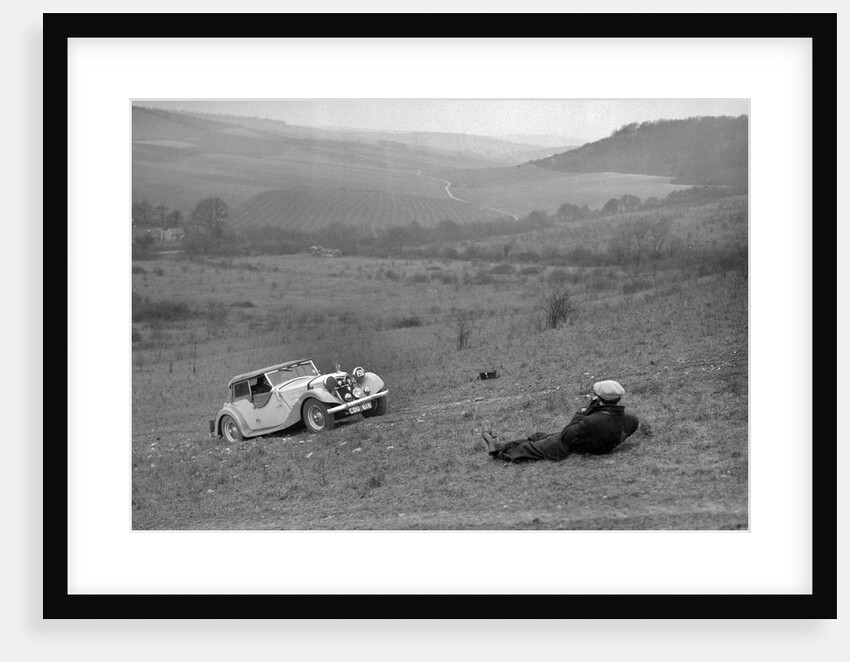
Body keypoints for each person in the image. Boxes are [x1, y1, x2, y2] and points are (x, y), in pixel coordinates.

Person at [482, 380, 639, 463]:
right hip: (586, 440)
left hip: (568, 447)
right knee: (538, 436)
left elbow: (567, 435)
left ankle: (497, 451)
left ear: (600, 399)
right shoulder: (632, 420)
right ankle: (501, 445)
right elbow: (606, 423)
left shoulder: (590, 421)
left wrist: (582, 412)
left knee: (529, 449)